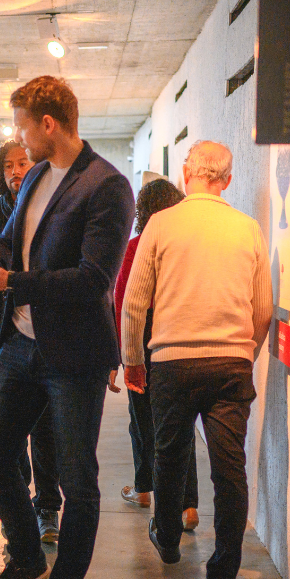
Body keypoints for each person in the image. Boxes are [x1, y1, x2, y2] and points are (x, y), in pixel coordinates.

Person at [0, 76, 134, 579]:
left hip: (74, 356)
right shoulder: (32, 175)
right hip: (21, 344)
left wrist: (14, 281)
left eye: (22, 125)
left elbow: (94, 280)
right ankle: (28, 556)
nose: (18, 137)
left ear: (48, 124)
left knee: (79, 483)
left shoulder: (108, 186)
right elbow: (8, 239)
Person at [122, 141, 272, 579]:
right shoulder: (248, 229)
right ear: (226, 180)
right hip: (230, 364)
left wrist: (132, 360)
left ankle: (166, 538)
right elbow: (262, 308)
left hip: (171, 362)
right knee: (230, 471)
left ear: (187, 173)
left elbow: (133, 301)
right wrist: (246, 353)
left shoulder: (162, 224)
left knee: (170, 454)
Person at [0, 140, 62, 543]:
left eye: (22, 162)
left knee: (44, 429)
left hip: (43, 339)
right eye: (8, 165)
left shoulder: (52, 212)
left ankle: (47, 508)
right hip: (2, 339)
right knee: (7, 434)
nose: (16, 170)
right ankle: (20, 506)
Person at [113, 178, 199, 531]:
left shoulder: (135, 246)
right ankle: (188, 506)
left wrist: (122, 357)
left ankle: (144, 489)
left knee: (144, 421)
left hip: (144, 338)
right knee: (181, 425)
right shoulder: (189, 247)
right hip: (180, 336)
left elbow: (123, 303)